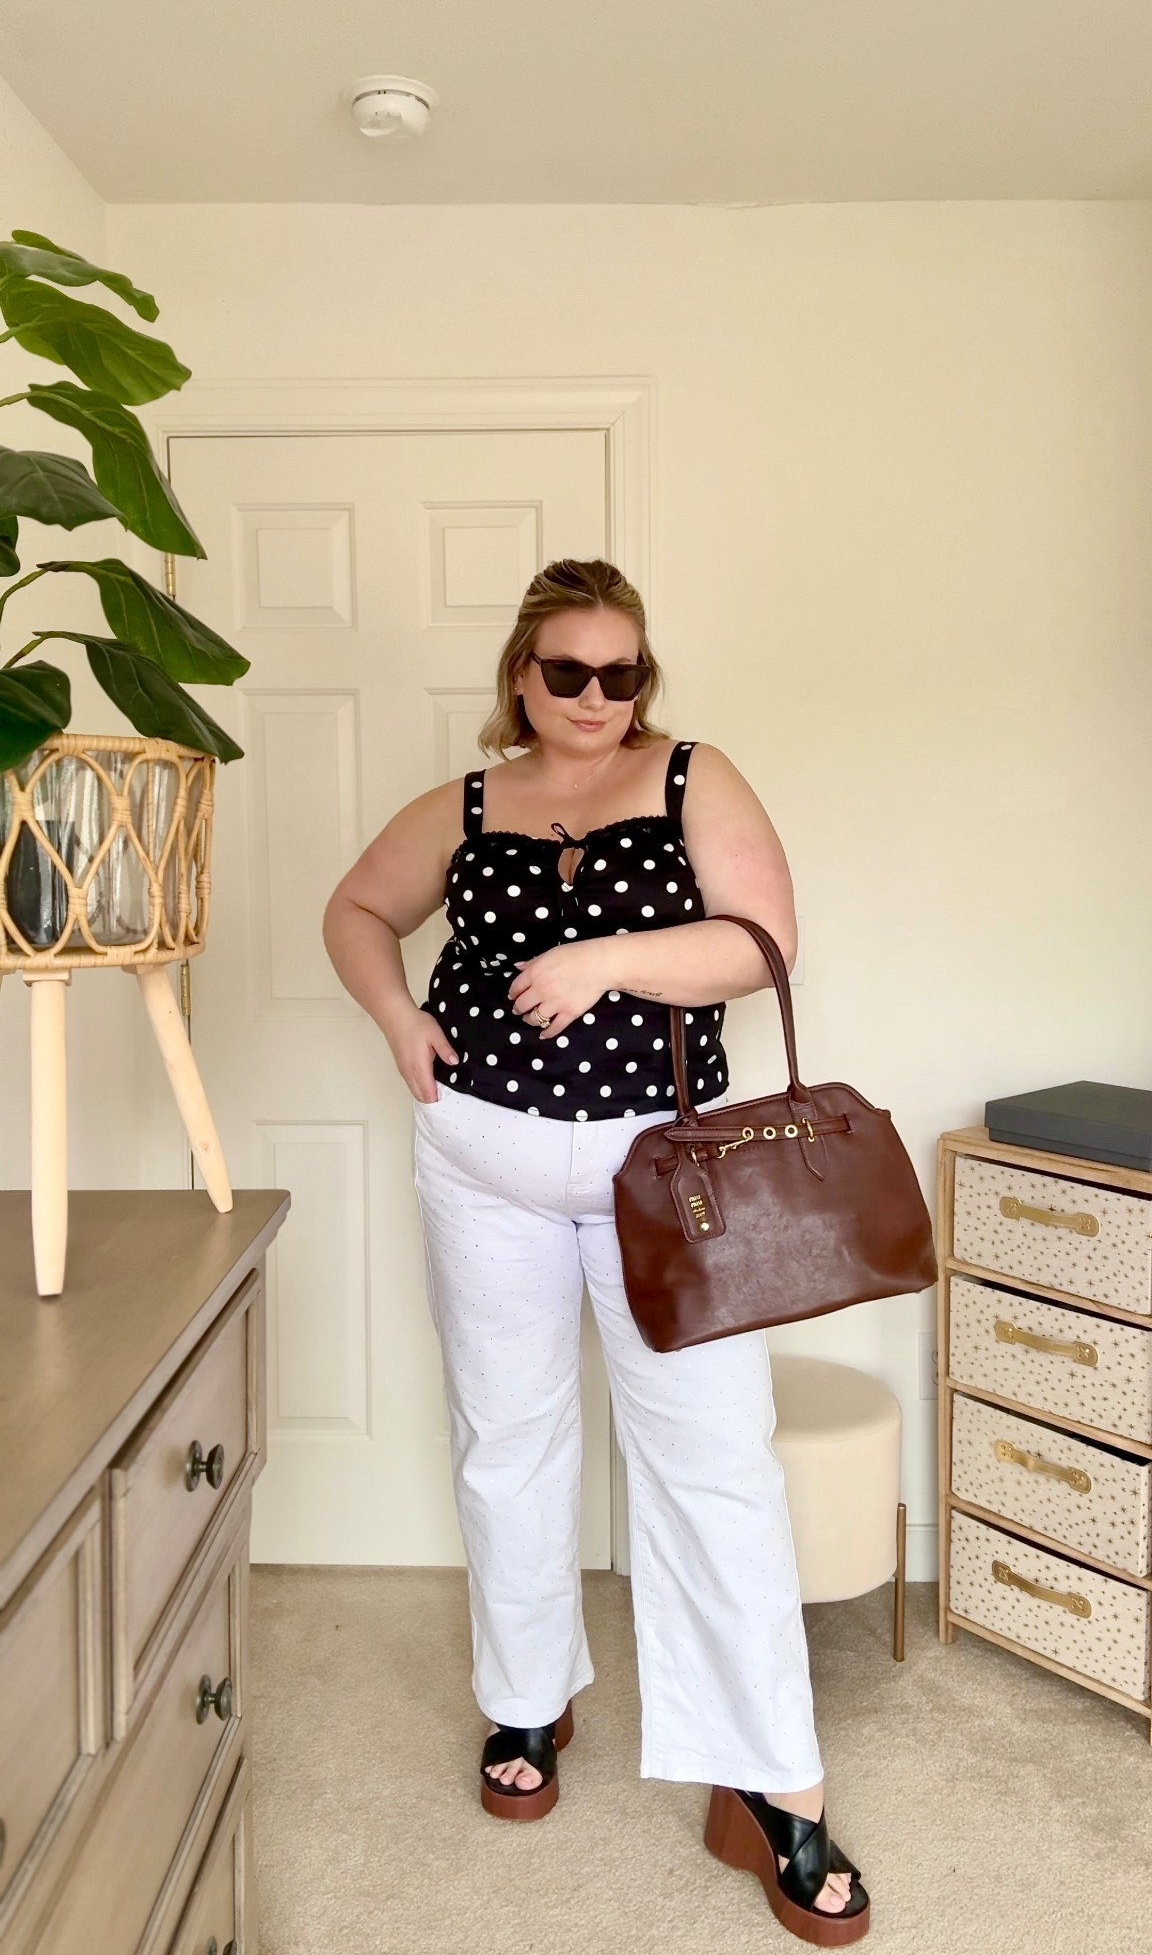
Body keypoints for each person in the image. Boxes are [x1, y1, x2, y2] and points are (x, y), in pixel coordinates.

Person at [322, 558, 869, 1943]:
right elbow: (353, 910)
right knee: (506, 1435)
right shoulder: (466, 801)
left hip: (662, 1175)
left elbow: (762, 942)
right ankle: (526, 1697)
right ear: (522, 674)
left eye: (622, 674)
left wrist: (608, 960)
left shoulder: (694, 778)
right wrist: (401, 1022)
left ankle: (769, 1784)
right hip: (481, 1161)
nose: (594, 697)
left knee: (713, 1465)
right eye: (568, 671)